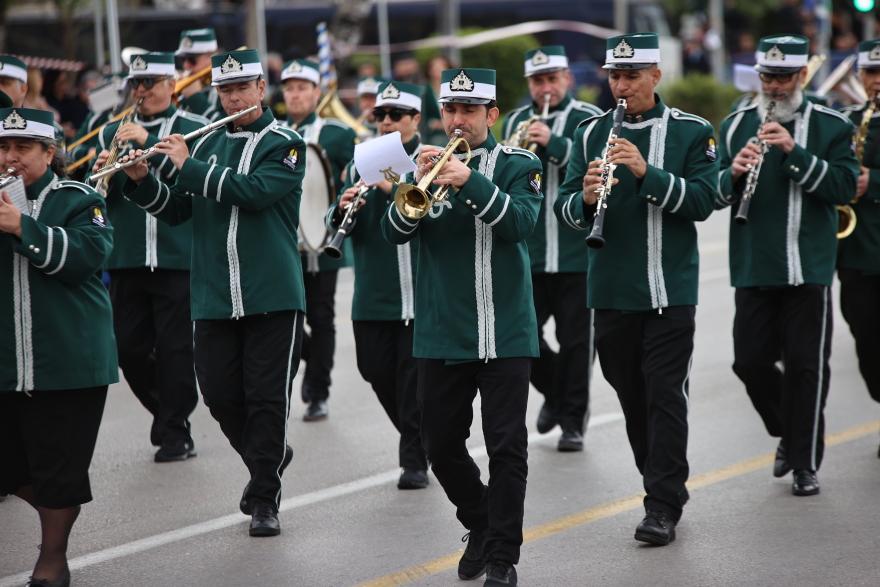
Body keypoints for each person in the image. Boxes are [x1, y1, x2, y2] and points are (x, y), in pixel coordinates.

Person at [118, 49, 307, 537]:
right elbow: (178, 211)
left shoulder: (286, 142)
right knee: (221, 397)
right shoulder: (205, 146)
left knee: (266, 399)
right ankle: (269, 457)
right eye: (225, 90)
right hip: (214, 294)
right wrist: (141, 182)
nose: (233, 97)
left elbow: (255, 191)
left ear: (262, 90)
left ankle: (265, 495)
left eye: (242, 88)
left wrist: (187, 167)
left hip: (272, 295)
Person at [382, 67, 542, 587]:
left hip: (505, 331)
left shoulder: (520, 164)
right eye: (450, 110)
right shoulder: (423, 166)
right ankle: (480, 522)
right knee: (440, 445)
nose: (457, 120)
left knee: (506, 446)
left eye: (469, 111)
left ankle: (502, 556)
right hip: (441, 330)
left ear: (491, 115)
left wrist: (470, 181)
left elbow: (520, 223)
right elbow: (395, 233)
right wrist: (413, 188)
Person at [555, 32, 717, 545]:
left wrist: (646, 172)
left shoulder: (693, 132)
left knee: (665, 394)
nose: (620, 86)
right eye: (614, 76)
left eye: (631, 76)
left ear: (655, 76)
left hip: (670, 290)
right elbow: (562, 209)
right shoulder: (589, 133)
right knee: (632, 395)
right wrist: (582, 197)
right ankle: (662, 481)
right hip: (611, 290)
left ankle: (661, 503)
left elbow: (704, 200)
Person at [716, 35, 858, 496]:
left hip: (807, 265)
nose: (773, 87)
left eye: (782, 78)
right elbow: (713, 193)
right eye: (766, 77)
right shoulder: (736, 123)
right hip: (754, 264)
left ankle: (804, 461)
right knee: (749, 361)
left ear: (801, 76)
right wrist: (733, 173)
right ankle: (789, 431)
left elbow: (842, 186)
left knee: (804, 365)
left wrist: (794, 154)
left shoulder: (831, 124)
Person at [0, 103, 117, 587]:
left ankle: (53, 558)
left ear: (50, 152)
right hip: (7, 363)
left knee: (58, 464)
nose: (11, 158)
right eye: (3, 147)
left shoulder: (79, 198)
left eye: (23, 148)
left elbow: (88, 256)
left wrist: (21, 227)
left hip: (69, 362)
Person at [87, 52, 208, 462]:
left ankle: (175, 431)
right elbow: (96, 197)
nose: (141, 91)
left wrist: (147, 149)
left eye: (150, 82)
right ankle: (168, 413)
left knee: (176, 349)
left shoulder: (194, 128)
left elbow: (191, 185)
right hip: (127, 257)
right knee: (130, 350)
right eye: (136, 84)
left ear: (171, 84)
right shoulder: (110, 133)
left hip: (176, 256)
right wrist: (101, 173)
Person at [328, 80, 428, 489]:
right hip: (375, 293)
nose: (386, 122)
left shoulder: (433, 160)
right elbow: (332, 225)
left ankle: (414, 459)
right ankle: (417, 437)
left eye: (396, 116)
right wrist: (341, 209)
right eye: (380, 116)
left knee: (411, 378)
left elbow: (432, 214)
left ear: (415, 119)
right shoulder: (360, 161)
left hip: (420, 294)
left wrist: (391, 187)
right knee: (374, 369)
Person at [502, 45, 602, 451]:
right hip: (532, 252)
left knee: (579, 342)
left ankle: (573, 421)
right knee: (524, 337)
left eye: (552, 79)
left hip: (578, 252)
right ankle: (557, 394)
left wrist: (556, 144)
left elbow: (598, 169)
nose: (545, 88)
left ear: (567, 79)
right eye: (537, 81)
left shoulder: (588, 120)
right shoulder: (514, 120)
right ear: (529, 84)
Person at [280, 58, 358, 421]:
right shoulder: (274, 132)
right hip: (283, 248)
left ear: (316, 92)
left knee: (322, 319)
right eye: (290, 88)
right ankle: (312, 372)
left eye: (302, 88)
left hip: (324, 242)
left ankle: (317, 393)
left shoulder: (337, 133)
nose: (295, 95)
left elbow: (351, 180)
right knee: (288, 320)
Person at [840, 38, 880, 457]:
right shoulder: (847, 121)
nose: (876, 81)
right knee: (865, 337)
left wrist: (875, 183)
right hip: (855, 251)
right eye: (870, 73)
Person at [175, 28, 222, 122]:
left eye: (192, 60)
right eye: (183, 59)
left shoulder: (228, 87)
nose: (185, 66)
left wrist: (195, 97)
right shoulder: (181, 91)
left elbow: (227, 129)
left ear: (213, 57)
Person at [420, 54, 453, 146]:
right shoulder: (425, 91)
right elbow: (423, 119)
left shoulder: (454, 89)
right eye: (434, 67)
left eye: (441, 66)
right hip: (435, 135)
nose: (438, 69)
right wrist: (438, 124)